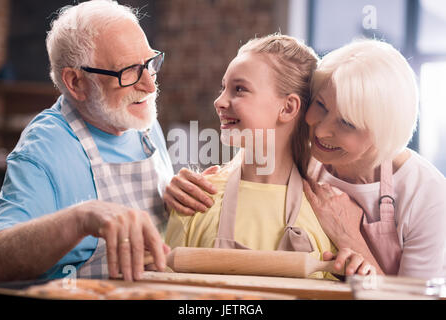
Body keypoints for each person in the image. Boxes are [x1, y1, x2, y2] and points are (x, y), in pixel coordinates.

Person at [164, 39, 446, 279]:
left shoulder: (426, 194)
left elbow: (416, 298)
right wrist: (185, 183)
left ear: (381, 133)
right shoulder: (312, 158)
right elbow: (264, 151)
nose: (320, 130)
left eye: (346, 123)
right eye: (321, 105)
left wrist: (350, 238)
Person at [0, 0, 173, 282]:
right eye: (128, 72)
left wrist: (175, 198)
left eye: (149, 64)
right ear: (75, 82)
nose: (150, 85)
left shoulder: (142, 120)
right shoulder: (44, 147)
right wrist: (80, 218)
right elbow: (0, 259)